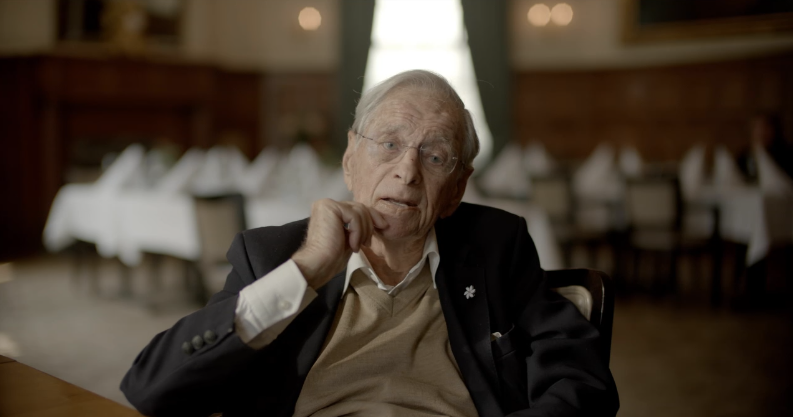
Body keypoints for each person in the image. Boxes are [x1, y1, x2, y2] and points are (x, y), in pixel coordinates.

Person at [121, 70, 619, 417]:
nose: (407, 171)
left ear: (457, 189)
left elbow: (581, 382)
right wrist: (307, 270)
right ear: (349, 160)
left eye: (435, 156)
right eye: (388, 144)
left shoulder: (495, 246)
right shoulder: (275, 256)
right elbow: (151, 388)